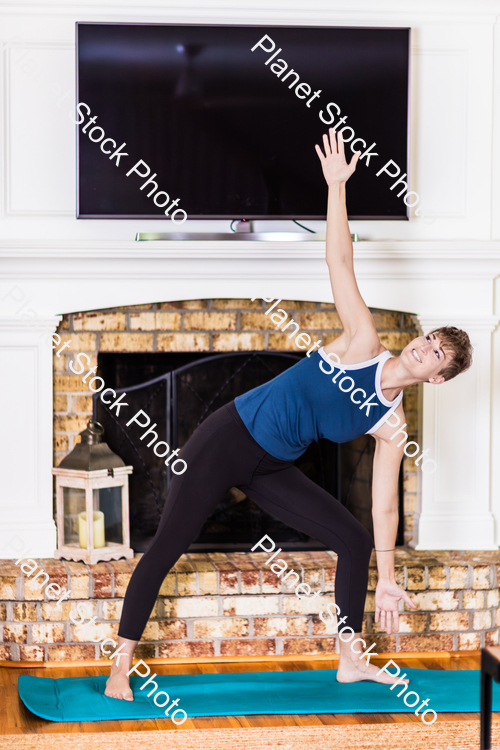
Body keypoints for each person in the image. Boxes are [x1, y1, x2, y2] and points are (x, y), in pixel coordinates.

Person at [105, 129, 473, 700]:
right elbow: (339, 258)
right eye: (427, 339)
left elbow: (383, 505)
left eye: (435, 355)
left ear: (439, 378)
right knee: (168, 545)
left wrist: (391, 580)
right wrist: (336, 187)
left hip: (271, 466)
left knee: (352, 541)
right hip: (229, 436)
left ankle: (350, 658)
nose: (422, 348)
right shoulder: (363, 342)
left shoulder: (392, 425)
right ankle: (121, 664)